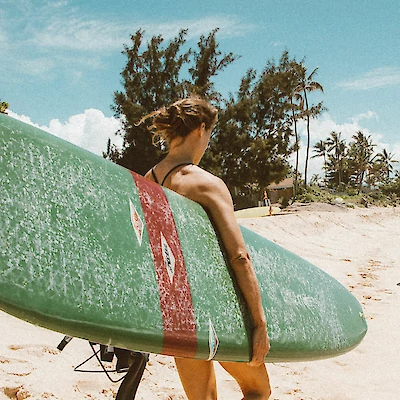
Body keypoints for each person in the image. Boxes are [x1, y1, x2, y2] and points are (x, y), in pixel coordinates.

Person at [140, 97, 271, 400]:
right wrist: (259, 322)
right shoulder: (206, 183)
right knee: (258, 390)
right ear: (200, 129)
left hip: (176, 314)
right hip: (215, 311)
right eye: (210, 134)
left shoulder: (148, 181)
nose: (208, 142)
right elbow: (239, 256)